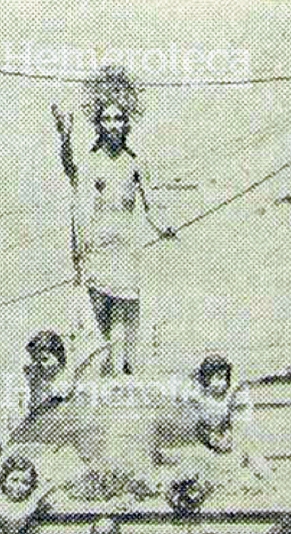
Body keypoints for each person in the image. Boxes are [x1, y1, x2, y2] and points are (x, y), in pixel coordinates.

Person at [52, 65, 175, 376]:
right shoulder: (91, 162)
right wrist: (65, 137)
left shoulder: (135, 163)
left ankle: (119, 374)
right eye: (106, 118)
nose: (112, 124)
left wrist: (164, 226)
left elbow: (151, 205)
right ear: (98, 123)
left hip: (125, 249)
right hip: (96, 248)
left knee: (123, 312)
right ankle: (102, 374)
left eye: (118, 118)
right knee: (98, 315)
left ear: (127, 122)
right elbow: (72, 172)